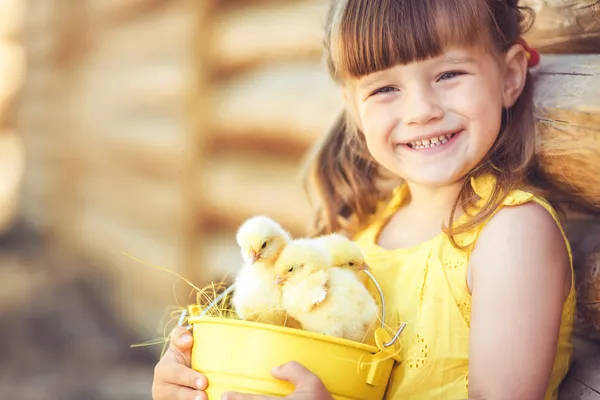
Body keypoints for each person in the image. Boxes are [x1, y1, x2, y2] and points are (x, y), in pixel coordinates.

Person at [152, 0, 575, 399]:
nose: (420, 111)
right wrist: (201, 374)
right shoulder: (360, 237)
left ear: (511, 77)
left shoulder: (512, 235)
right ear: (353, 109)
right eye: (385, 88)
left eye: (448, 75)